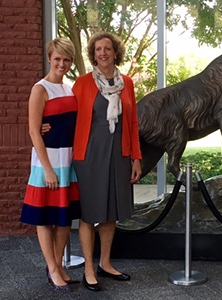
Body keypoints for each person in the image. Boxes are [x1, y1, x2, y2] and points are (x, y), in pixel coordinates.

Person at [72, 32, 142, 292]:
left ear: (115, 53)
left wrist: (136, 157)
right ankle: (89, 269)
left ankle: (106, 263)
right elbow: (67, 115)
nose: (103, 53)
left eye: (107, 49)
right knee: (90, 214)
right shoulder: (82, 83)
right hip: (90, 156)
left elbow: (133, 123)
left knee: (111, 211)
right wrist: (46, 127)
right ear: (93, 54)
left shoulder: (127, 83)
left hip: (119, 156)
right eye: (98, 49)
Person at [20, 38, 80, 291]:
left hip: (68, 160)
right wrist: (47, 169)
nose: (62, 64)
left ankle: (57, 265)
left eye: (67, 59)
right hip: (48, 162)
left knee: (64, 218)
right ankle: (53, 268)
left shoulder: (69, 90)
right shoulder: (40, 89)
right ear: (49, 58)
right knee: (44, 217)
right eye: (57, 59)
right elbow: (34, 132)